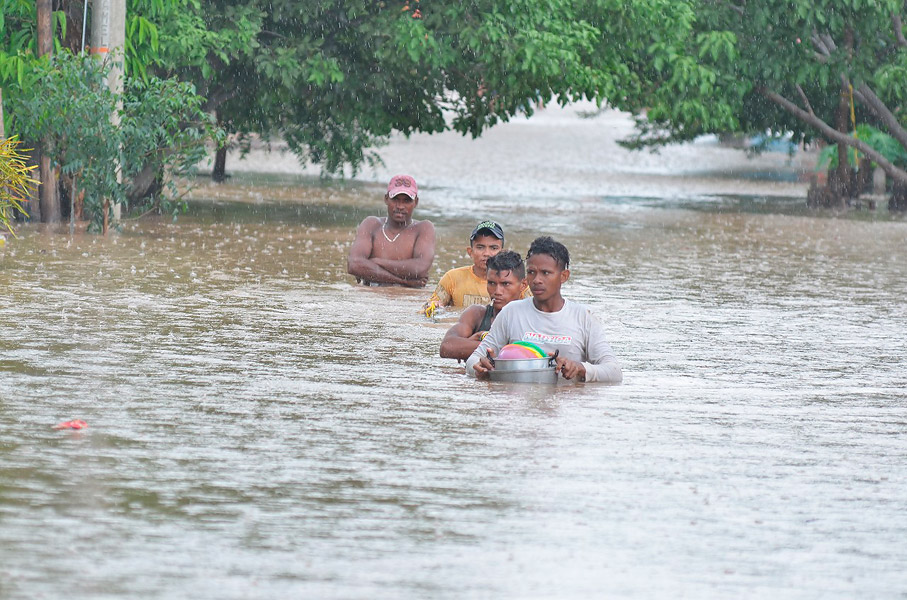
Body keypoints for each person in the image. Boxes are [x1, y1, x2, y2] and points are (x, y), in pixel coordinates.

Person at [466, 236, 622, 383]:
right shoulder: (511, 312)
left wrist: (580, 369)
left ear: (564, 276)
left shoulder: (583, 317)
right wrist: (481, 369)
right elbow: (473, 361)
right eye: (532, 272)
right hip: (519, 406)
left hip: (566, 405)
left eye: (545, 273)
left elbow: (614, 372)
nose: (537, 280)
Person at [347, 174, 435, 287]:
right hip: (372, 298)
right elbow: (354, 264)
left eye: (407, 201)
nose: (400, 206)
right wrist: (403, 281)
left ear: (416, 202)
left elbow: (420, 268)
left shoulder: (423, 228)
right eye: (395, 199)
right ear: (386, 199)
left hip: (405, 301)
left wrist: (376, 262)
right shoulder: (371, 224)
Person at [439, 251, 528, 361]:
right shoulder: (477, 314)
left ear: (523, 285)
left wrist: (478, 342)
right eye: (491, 283)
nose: (497, 291)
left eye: (505, 284)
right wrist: (506, 348)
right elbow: (446, 347)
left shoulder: (531, 317)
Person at [423, 220, 529, 312]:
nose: (487, 253)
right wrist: (435, 308)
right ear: (470, 252)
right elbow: (431, 306)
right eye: (480, 247)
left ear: (503, 252)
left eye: (493, 248)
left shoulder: (516, 282)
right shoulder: (452, 278)